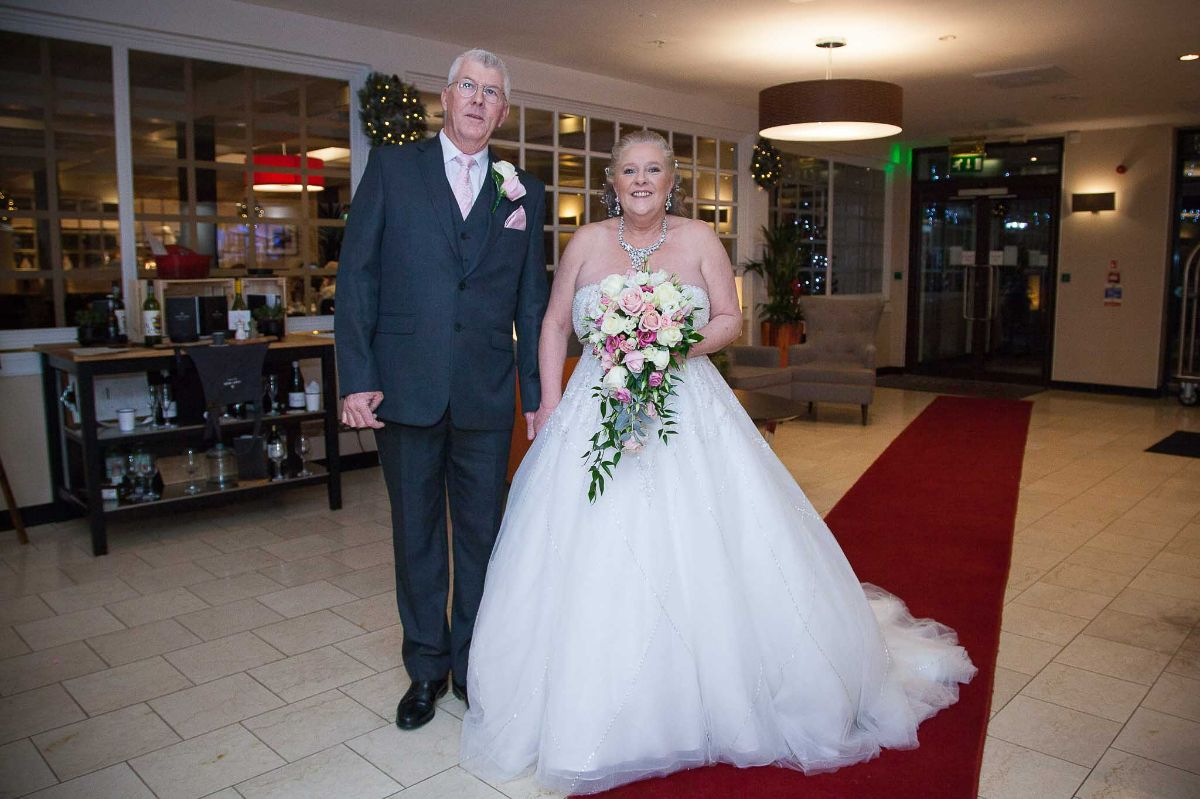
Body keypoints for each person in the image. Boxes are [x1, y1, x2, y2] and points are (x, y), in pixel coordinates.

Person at [459, 130, 976, 794]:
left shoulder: (701, 237)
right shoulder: (585, 242)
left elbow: (731, 318)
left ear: (671, 179)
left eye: (653, 169)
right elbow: (556, 323)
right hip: (595, 406)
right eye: (628, 170)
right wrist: (553, 405)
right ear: (611, 181)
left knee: (705, 543)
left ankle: (707, 690)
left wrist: (668, 343)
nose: (640, 179)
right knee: (588, 545)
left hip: (687, 403)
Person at [335, 48, 548, 731]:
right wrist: (359, 376)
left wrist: (538, 393)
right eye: (468, 87)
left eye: (492, 92)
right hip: (407, 388)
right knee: (418, 537)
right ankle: (425, 671)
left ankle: (472, 666)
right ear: (446, 97)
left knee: (482, 539)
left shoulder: (523, 190)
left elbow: (531, 300)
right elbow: (357, 276)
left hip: (487, 393)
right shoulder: (395, 169)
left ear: (503, 110)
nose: (479, 101)